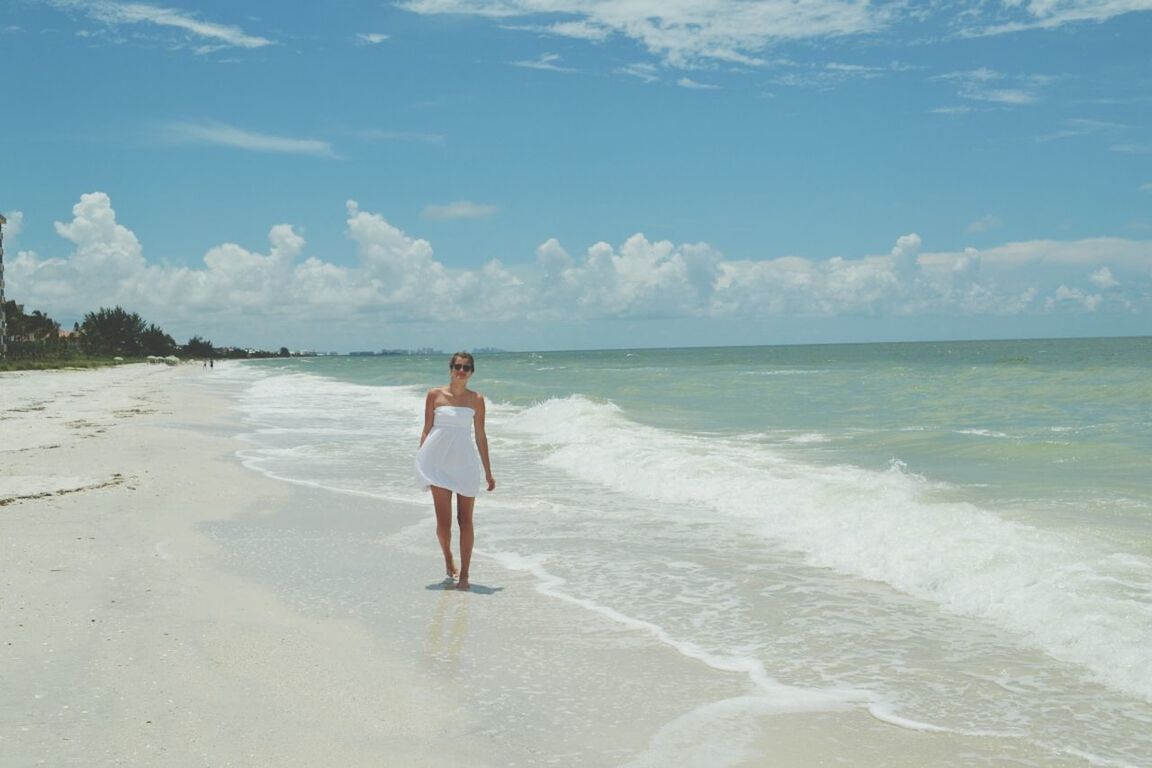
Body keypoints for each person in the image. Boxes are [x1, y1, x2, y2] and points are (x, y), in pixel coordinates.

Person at [415, 352, 496, 591]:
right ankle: (448, 558)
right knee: (444, 524)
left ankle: (465, 575)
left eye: (467, 368)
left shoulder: (477, 399)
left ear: (472, 372)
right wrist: (422, 462)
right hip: (437, 463)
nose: (462, 371)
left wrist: (489, 472)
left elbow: (481, 436)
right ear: (450, 369)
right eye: (458, 366)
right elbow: (426, 430)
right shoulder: (434, 395)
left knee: (465, 521)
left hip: (465, 464)